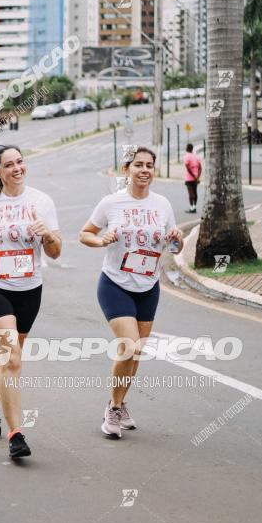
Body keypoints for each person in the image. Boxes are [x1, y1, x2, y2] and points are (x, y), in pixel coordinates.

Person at [0, 145, 61, 459]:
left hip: (30, 290)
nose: (17, 168)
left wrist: (47, 235)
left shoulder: (42, 202)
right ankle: (15, 433)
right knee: (13, 359)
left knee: (6, 358)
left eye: (20, 162)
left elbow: (56, 252)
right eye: (9, 164)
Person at [79, 145, 183, 440]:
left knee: (137, 353)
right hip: (115, 284)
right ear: (127, 170)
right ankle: (112, 408)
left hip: (148, 286)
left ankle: (121, 402)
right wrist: (101, 240)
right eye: (138, 165)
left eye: (149, 165)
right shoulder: (111, 203)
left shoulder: (162, 204)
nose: (144, 170)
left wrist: (178, 239)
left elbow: (174, 246)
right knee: (130, 346)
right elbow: (84, 233)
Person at [183, 143, 202, 213]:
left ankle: (191, 208)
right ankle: (194, 206)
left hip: (189, 178)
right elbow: (200, 168)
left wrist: (193, 176)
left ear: (187, 148)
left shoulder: (186, 156)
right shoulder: (196, 156)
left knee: (191, 193)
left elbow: (188, 168)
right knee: (195, 192)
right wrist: (197, 177)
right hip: (196, 177)